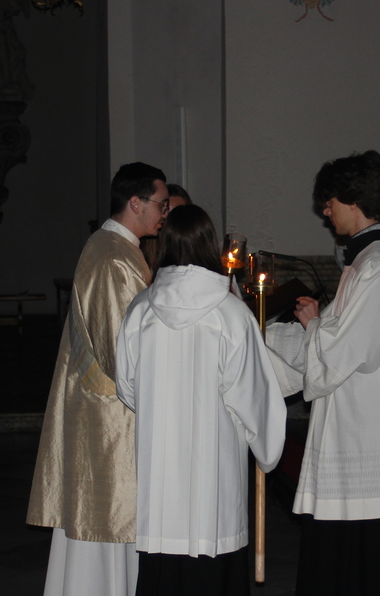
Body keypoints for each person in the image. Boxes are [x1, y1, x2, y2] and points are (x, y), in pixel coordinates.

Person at [266, 151, 380, 596]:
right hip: (354, 426)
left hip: (364, 434)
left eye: (330, 201)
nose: (325, 211)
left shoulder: (378, 266)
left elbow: (351, 351)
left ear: (353, 200)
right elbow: (340, 336)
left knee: (358, 557)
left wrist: (312, 325)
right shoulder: (366, 261)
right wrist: (266, 336)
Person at [116, 204, 287, 596]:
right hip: (216, 481)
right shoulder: (231, 315)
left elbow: (127, 385)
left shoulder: (140, 310)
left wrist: (161, 407)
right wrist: (266, 448)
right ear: (211, 245)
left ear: (163, 246)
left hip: (161, 481)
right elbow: (255, 397)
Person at [27, 162, 169, 596]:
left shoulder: (115, 247)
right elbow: (121, 352)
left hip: (104, 410)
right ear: (136, 202)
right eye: (161, 204)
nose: (165, 213)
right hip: (112, 418)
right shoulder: (113, 257)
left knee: (103, 523)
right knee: (107, 520)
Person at [139, 183, 190, 272]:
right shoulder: (141, 253)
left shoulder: (194, 253)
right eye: (165, 211)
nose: (170, 220)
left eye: (178, 214)